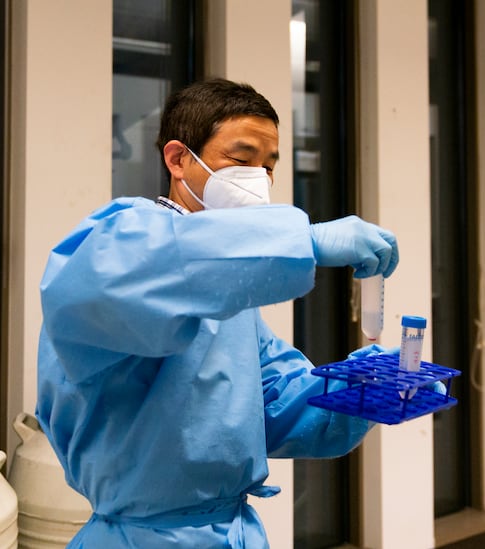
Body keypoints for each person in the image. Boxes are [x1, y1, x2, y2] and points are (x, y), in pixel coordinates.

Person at [36, 78, 399, 548]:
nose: (260, 179)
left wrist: (364, 390)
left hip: (233, 532)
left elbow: (269, 401)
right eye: (241, 159)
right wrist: (303, 240)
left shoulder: (228, 291)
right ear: (178, 158)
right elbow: (156, 270)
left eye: (269, 166)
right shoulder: (116, 251)